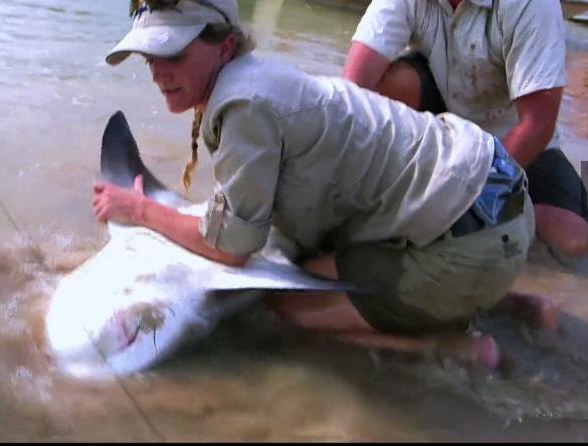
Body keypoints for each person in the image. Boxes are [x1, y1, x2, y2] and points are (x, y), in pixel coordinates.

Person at [93, 0, 551, 369]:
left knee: (285, 306)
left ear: (226, 46)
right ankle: (508, 301)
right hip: (500, 201)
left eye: (174, 54)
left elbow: (233, 247)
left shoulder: (241, 105)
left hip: (474, 242)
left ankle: (452, 348)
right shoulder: (262, 77)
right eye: (150, 57)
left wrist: (139, 209)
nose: (159, 72)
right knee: (312, 264)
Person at [343, 0, 588, 268]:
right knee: (387, 89)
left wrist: (469, 199)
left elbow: (538, 124)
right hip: (440, 125)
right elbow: (353, 93)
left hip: (514, 145)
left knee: (573, 242)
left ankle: (512, 242)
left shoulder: (531, 5)